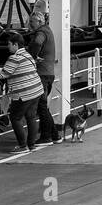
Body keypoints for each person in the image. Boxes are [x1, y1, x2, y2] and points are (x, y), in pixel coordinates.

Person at [0, 31, 44, 152]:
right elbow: (14, 70)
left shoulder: (14, 58)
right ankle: (31, 145)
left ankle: (22, 146)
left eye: (9, 44)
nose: (8, 46)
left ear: (16, 45)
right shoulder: (27, 55)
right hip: (36, 90)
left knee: (15, 118)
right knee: (31, 117)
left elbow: (3, 74)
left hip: (24, 93)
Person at [27, 10, 60, 144]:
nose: (30, 25)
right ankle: (55, 135)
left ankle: (46, 137)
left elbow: (37, 43)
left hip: (42, 74)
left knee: (41, 106)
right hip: (49, 73)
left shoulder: (41, 32)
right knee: (43, 106)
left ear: (39, 22)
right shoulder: (48, 30)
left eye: (31, 22)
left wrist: (32, 56)